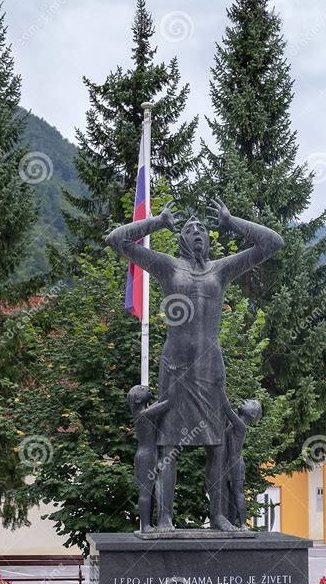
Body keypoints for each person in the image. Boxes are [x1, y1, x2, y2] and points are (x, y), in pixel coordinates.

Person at [106, 197, 283, 532]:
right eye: (190, 228)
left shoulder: (223, 269)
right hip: (176, 367)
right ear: (182, 239)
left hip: (211, 368)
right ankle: (165, 518)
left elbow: (272, 242)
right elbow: (117, 239)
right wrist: (158, 221)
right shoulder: (167, 265)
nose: (198, 231)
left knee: (215, 443)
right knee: (168, 444)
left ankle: (218, 516)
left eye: (203, 228)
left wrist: (232, 222)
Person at [127, 384, 173, 533]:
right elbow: (168, 403)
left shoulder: (144, 412)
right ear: (138, 400)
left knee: (150, 491)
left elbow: (159, 403)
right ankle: (145, 526)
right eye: (141, 389)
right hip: (146, 457)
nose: (146, 388)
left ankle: (148, 524)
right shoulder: (144, 414)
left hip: (148, 456)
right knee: (146, 492)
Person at [224, 400, 263, 529]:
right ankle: (230, 523)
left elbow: (227, 410)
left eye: (250, 403)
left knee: (237, 493)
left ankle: (243, 524)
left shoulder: (240, 425)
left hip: (235, 463)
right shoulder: (234, 423)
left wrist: (220, 394)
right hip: (227, 462)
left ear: (251, 414)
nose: (245, 401)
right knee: (229, 495)